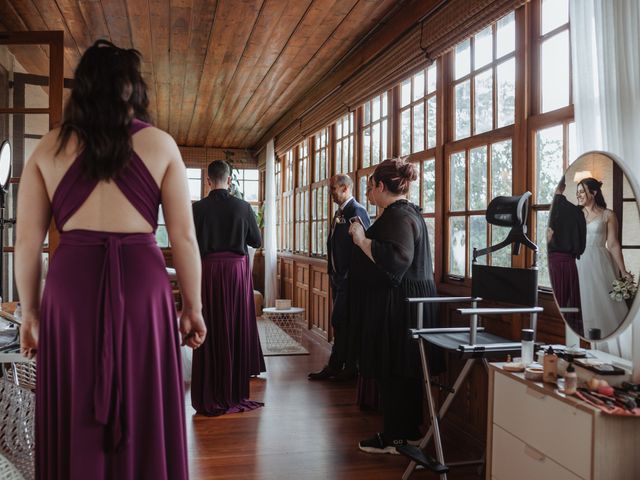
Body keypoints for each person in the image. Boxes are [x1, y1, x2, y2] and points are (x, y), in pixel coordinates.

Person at [15, 40, 206, 479]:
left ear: (80, 90)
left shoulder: (46, 150)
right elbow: (184, 238)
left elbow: (28, 243)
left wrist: (29, 313)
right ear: (133, 90)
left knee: (75, 396)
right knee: (144, 398)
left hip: (71, 288)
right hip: (143, 285)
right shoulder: (162, 145)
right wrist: (192, 308)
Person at [348, 158, 443, 454]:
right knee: (406, 370)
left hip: (402, 304)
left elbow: (398, 258)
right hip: (411, 300)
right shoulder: (406, 213)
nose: (368, 194)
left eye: (369, 187)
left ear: (380, 185)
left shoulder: (398, 216)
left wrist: (362, 240)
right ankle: (406, 434)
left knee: (396, 371)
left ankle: (396, 438)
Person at [191, 160, 265, 416]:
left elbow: (190, 244)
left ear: (208, 180)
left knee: (210, 323)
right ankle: (233, 387)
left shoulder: (197, 209)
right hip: (235, 273)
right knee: (235, 324)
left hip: (209, 271)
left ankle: (211, 386)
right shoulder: (243, 206)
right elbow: (256, 240)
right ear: (230, 180)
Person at [309, 174, 370, 381]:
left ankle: (347, 367)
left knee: (344, 321)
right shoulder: (339, 212)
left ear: (345, 188)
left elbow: (364, 246)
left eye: (333, 189)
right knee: (340, 322)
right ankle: (338, 365)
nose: (330, 193)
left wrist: (347, 275)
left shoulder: (357, 211)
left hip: (351, 280)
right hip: (338, 277)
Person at [575, 177, 630, 341]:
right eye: (577, 192)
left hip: (600, 262)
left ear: (593, 192)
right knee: (582, 300)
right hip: (578, 261)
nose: (578, 195)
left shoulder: (608, 215)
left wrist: (623, 270)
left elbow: (613, 244)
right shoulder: (575, 213)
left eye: (582, 192)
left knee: (603, 302)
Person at [547, 176, 586, 336]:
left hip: (554, 264)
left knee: (558, 308)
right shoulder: (577, 211)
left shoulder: (551, 209)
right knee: (570, 309)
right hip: (569, 265)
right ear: (564, 186)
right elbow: (581, 246)